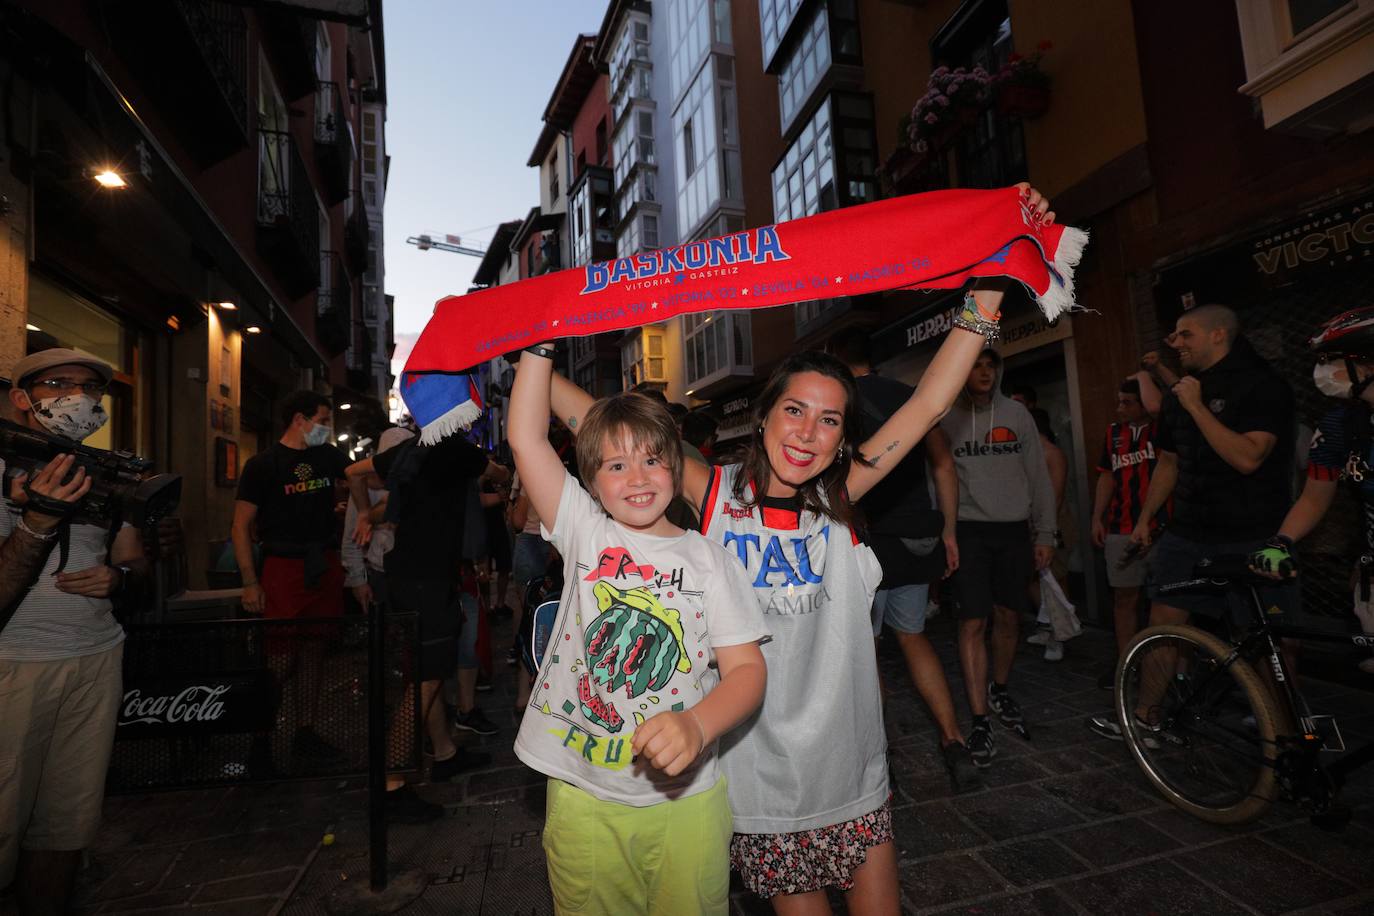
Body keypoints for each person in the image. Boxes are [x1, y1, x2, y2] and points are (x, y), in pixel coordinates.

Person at [544, 184, 1054, 911]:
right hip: (762, 781)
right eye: (793, 411)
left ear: (844, 439)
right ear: (763, 419)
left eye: (828, 421)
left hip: (851, 770)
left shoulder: (842, 496)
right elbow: (603, 420)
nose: (807, 432)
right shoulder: (716, 495)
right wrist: (525, 350)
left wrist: (997, 275)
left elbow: (931, 400)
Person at [509, 347, 769, 916]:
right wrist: (539, 346)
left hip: (688, 804)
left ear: (677, 467)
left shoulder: (710, 560)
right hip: (584, 795)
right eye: (615, 465)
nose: (637, 479)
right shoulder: (583, 530)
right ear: (590, 480)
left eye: (653, 459)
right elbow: (526, 438)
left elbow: (747, 670)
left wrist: (698, 723)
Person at [1089, 304, 1296, 742]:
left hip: (1252, 533)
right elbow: (1169, 460)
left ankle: (1282, 731)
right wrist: (1146, 520)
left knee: (1265, 636)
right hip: (1188, 532)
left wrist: (1197, 406)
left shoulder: (1261, 384)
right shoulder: (1183, 392)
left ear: (1218, 334)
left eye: (1185, 335)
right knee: (1164, 621)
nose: (1175, 343)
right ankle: (1147, 718)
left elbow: (1248, 457)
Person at [0, 348, 148, 914]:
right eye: (59, 384)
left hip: (95, 659)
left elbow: (135, 563)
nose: (78, 397)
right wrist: (36, 521)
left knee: (65, 827)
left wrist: (120, 576)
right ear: (22, 399)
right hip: (14, 666)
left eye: (90, 388)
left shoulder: (109, 474)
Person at [827, 326, 981, 793]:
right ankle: (954, 740)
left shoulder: (840, 402)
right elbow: (944, 465)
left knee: (867, 649)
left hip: (867, 539)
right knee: (913, 636)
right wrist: (949, 530)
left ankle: (880, 754)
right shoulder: (910, 397)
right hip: (918, 536)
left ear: (836, 359)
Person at [346, 422, 508, 794]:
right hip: (428, 579)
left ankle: (445, 753)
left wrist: (365, 514)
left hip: (406, 572)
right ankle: (392, 781)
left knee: (425, 672)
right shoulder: (454, 449)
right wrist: (503, 473)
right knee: (426, 681)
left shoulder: (409, 450)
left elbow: (352, 472)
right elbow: (497, 472)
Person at [940, 348, 1056, 763]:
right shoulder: (948, 417)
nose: (985, 372)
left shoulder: (1018, 415)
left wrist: (1046, 533)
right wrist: (945, 532)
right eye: (976, 364)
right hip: (969, 531)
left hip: (1013, 530)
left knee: (1009, 616)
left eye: (991, 365)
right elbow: (939, 479)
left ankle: (1000, 689)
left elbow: (1039, 477)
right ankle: (979, 719)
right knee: (973, 621)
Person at [1249, 307, 1374, 674]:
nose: (1323, 371)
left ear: (1366, 362)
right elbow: (1315, 494)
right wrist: (1282, 540)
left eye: (1331, 360)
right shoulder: (1340, 425)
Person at [232, 390, 348, 763]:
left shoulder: (328, 457)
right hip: (282, 567)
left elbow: (360, 477)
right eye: (324, 420)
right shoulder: (263, 465)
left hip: (323, 563)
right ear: (300, 419)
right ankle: (260, 736)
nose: (327, 429)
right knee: (279, 658)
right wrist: (250, 582)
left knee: (315, 650)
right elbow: (240, 525)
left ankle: (305, 733)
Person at [1088, 377, 1165, 688]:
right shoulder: (1113, 434)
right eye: (1119, 401)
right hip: (1120, 528)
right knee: (1124, 599)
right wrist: (1097, 517)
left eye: (1127, 402)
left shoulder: (1162, 430)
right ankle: (1127, 664)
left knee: (1166, 602)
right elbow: (1107, 477)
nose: (1120, 408)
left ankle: (1167, 671)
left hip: (1162, 530)